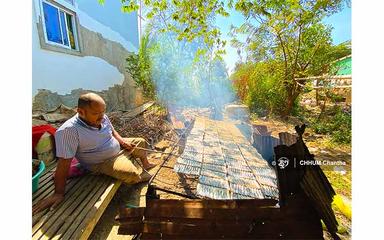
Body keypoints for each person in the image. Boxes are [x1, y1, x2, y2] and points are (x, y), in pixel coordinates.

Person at [33, 93, 156, 214]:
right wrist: (58, 193)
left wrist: (122, 141)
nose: (102, 117)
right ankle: (139, 176)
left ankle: (146, 164)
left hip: (117, 147)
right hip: (104, 161)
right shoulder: (68, 131)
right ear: (80, 112)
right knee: (132, 174)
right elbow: (63, 164)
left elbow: (112, 131)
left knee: (140, 142)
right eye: (96, 114)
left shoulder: (101, 116)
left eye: (103, 112)